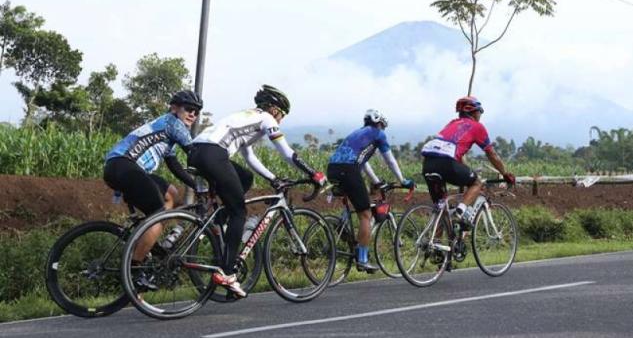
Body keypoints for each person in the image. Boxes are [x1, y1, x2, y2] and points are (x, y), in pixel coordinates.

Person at [188, 84, 326, 297]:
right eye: (282, 115)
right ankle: (227, 273)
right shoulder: (266, 119)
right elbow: (287, 153)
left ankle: (218, 221)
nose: (280, 120)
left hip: (197, 151)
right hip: (213, 153)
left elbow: (250, 158)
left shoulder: (247, 118)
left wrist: (273, 178)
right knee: (240, 212)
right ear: (274, 109)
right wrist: (313, 173)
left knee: (245, 178)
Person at [103, 90, 203, 289]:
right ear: (174, 108)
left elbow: (173, 164)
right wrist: (215, 181)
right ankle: (135, 270)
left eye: (197, 111)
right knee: (157, 212)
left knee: (171, 195)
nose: (193, 114)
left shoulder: (166, 129)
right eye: (189, 109)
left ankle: (148, 241)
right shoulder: (173, 123)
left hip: (125, 168)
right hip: (124, 166)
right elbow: (195, 155)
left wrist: (197, 187)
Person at [327, 109, 415, 273]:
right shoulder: (378, 134)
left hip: (332, 169)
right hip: (349, 170)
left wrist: (375, 181)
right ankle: (362, 260)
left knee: (353, 199)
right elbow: (389, 160)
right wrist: (403, 180)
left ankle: (342, 226)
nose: (382, 129)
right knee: (366, 215)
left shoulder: (357, 133)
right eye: (382, 126)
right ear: (379, 123)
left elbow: (364, 162)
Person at [420, 96, 515, 226]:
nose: (480, 115)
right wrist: (505, 173)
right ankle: (460, 212)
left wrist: (467, 170)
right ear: (474, 111)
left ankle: (434, 243)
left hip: (428, 164)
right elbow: (491, 154)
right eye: (480, 111)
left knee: (441, 210)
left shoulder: (452, 123)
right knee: (477, 182)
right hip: (446, 163)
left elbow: (455, 156)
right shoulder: (477, 126)